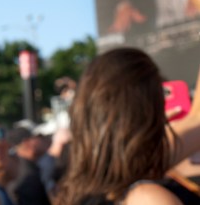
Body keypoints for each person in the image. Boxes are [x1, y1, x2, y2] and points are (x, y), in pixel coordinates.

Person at [54, 47, 200, 205]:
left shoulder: (81, 188)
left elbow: (196, 122)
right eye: (160, 97)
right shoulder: (147, 198)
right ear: (147, 114)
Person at [5, 126, 51, 205]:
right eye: (38, 137)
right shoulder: (25, 173)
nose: (43, 140)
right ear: (27, 143)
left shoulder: (23, 167)